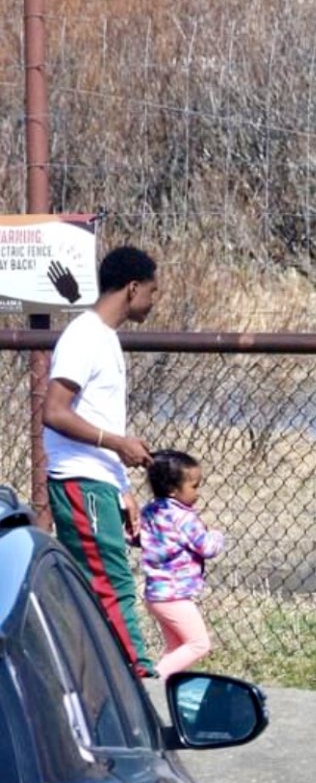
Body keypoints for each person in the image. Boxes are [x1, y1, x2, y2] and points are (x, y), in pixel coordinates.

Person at [42, 245, 159, 676]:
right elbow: (54, 412)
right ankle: (137, 676)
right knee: (112, 584)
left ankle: (86, 676)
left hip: (99, 481)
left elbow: (98, 416)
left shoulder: (105, 338)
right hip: (79, 480)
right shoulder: (84, 337)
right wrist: (117, 444)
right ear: (132, 288)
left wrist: (121, 487)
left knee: (96, 588)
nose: (153, 300)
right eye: (152, 291)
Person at [140, 450, 225, 679]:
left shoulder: (150, 511)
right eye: (194, 486)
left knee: (177, 647)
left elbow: (134, 536)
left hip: (156, 594)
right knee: (199, 644)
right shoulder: (184, 518)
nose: (198, 492)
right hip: (175, 595)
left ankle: (163, 686)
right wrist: (216, 536)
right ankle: (153, 680)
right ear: (172, 489)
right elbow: (206, 547)